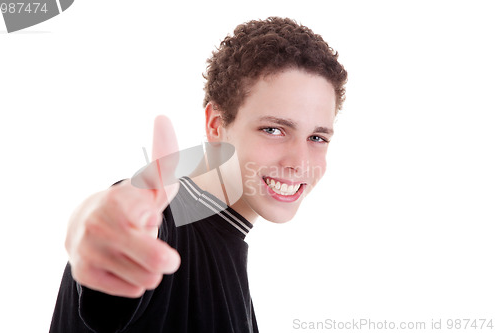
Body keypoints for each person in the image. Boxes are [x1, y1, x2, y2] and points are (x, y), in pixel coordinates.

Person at [49, 16, 348, 333]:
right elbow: (117, 225)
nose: (300, 162)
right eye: (273, 129)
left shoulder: (226, 240)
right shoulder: (163, 225)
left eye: (317, 138)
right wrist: (97, 224)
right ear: (217, 125)